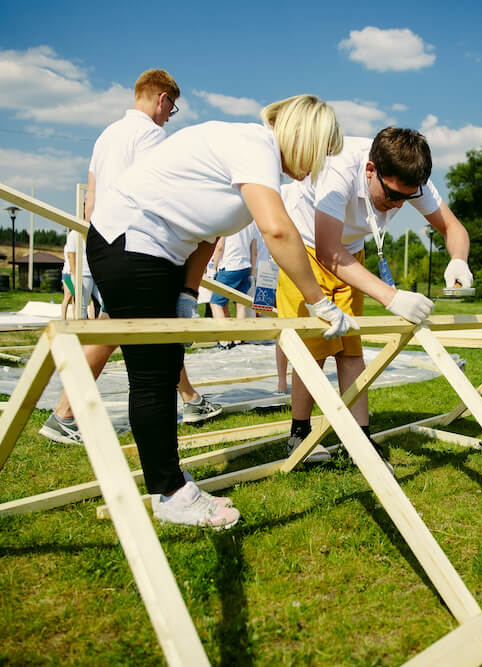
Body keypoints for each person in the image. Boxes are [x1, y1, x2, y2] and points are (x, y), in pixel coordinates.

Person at [87, 93, 353, 530]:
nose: (316, 167)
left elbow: (208, 232)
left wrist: (188, 293)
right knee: (153, 370)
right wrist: (317, 300)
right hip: (131, 241)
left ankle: (167, 479)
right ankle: (169, 493)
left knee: (166, 362)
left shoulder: (251, 154)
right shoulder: (256, 147)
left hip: (154, 249)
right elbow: (276, 229)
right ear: (302, 137)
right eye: (319, 153)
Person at [39, 69, 224, 449]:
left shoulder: (106, 136)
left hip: (104, 240)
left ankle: (189, 399)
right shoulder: (151, 135)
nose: (169, 116)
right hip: (139, 244)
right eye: (171, 108)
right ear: (162, 99)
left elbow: (91, 197)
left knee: (132, 324)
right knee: (134, 329)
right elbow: (163, 190)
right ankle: (65, 412)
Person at [279, 128, 473, 468]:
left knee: (350, 346)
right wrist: (392, 298)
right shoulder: (337, 168)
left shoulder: (411, 179)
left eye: (408, 198)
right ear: (371, 170)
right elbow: (327, 251)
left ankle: (359, 434)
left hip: (349, 252)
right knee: (312, 347)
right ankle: (299, 430)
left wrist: (459, 259)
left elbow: (453, 228)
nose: (398, 205)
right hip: (305, 246)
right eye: (393, 195)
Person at [209, 221, 258, 347]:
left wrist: (212, 269)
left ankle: (224, 340)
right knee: (240, 304)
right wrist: (251, 273)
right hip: (245, 266)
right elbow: (254, 249)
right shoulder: (250, 221)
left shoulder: (229, 220)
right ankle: (238, 339)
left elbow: (220, 246)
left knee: (215, 303)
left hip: (229, 266)